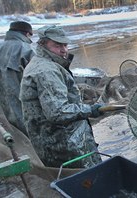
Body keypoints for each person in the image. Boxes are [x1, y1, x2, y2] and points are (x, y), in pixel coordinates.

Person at [19, 25, 104, 168]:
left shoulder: (45, 63)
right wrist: (91, 110)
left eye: (65, 45)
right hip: (62, 144)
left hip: (57, 142)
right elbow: (57, 112)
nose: (64, 50)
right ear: (42, 44)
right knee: (84, 182)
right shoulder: (46, 70)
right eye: (57, 45)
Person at [0, 21, 35, 136]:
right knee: (30, 135)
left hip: (1, 107)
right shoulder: (27, 49)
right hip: (25, 106)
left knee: (15, 135)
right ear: (27, 34)